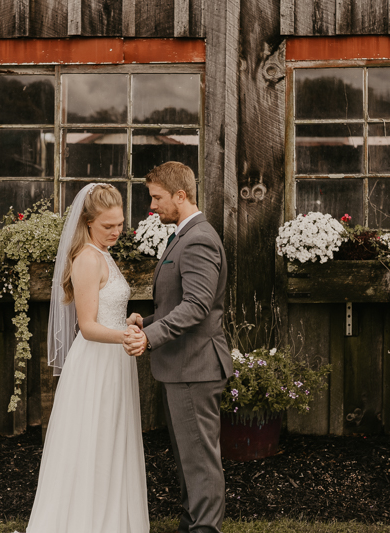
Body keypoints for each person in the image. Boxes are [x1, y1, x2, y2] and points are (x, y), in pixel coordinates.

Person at [26, 183, 149, 533]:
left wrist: (130, 321)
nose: (115, 232)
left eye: (120, 224)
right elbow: (88, 326)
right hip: (96, 363)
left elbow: (108, 312)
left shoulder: (105, 254)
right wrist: (124, 336)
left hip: (115, 360)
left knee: (113, 442)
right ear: (87, 221)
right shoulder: (86, 258)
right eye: (107, 226)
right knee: (91, 444)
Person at [124, 161, 233, 533]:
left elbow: (198, 306)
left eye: (157, 198)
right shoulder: (183, 235)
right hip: (184, 366)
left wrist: (149, 338)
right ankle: (192, 525)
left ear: (181, 196)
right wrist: (148, 322)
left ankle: (204, 529)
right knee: (190, 458)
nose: (152, 206)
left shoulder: (199, 238)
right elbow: (178, 305)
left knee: (199, 460)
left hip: (195, 367)